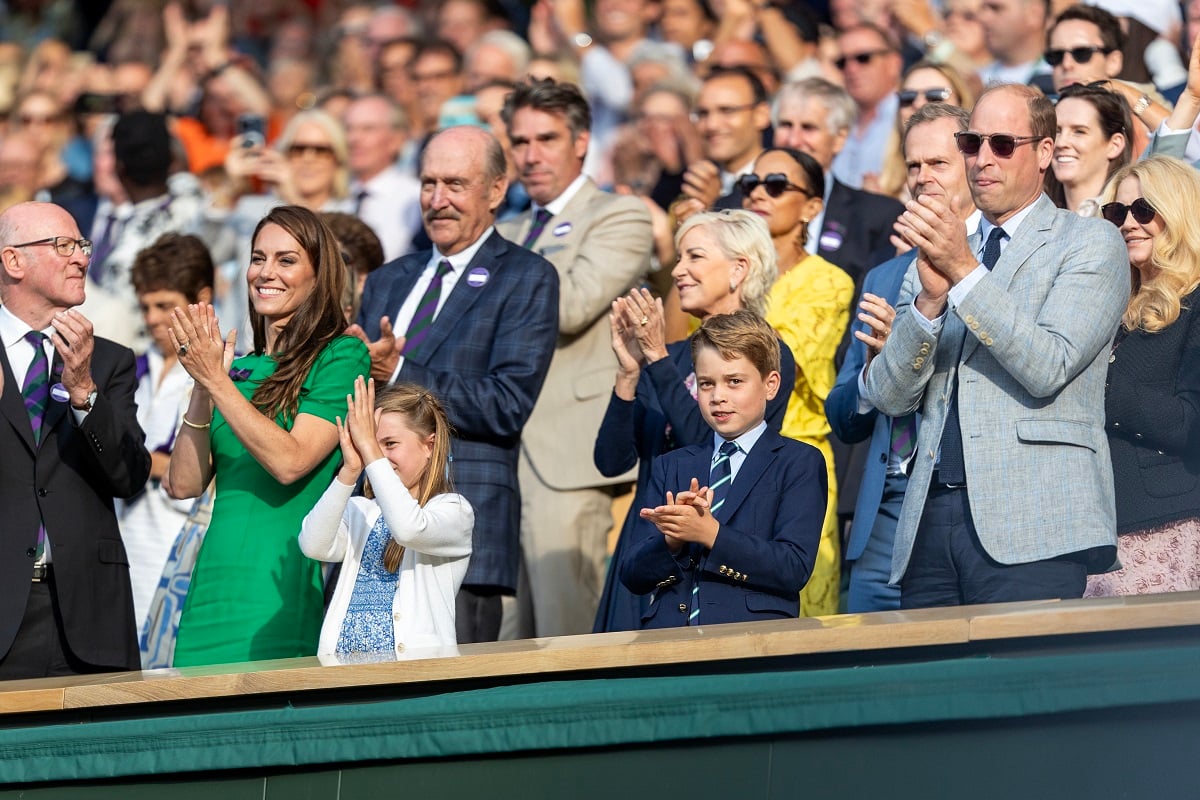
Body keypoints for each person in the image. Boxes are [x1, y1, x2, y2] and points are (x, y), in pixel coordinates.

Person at [864, 83, 1129, 608]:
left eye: (1003, 144)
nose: (983, 159)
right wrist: (928, 308)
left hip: (1037, 516)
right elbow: (890, 398)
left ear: (1046, 153)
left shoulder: (1090, 241)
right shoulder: (938, 250)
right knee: (934, 687)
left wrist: (962, 270)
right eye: (971, 142)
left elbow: (1048, 363)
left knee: (1029, 686)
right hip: (929, 519)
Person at [350, 126, 559, 644]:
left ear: (494, 190)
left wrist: (398, 374)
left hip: (460, 527)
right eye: (428, 184)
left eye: (455, 185)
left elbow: (507, 404)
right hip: (371, 526)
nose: (437, 201)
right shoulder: (388, 280)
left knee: (452, 698)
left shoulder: (528, 277)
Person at [167, 205, 370, 667]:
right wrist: (205, 384)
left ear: (319, 276)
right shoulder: (237, 369)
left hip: (277, 585)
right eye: (258, 258)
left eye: (286, 260)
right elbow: (183, 484)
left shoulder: (342, 355)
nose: (265, 272)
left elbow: (291, 462)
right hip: (211, 587)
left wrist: (217, 383)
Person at [494, 78, 653, 638]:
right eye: (519, 141)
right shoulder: (504, 229)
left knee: (568, 634)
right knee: (496, 639)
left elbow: (572, 305)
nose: (531, 155)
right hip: (495, 455)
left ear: (582, 141)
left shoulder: (618, 215)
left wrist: (490, 278)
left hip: (568, 455)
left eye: (547, 138)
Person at [592, 209, 797, 632]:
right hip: (646, 547)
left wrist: (657, 359)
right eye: (679, 258)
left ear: (740, 268)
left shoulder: (769, 357)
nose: (679, 270)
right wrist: (629, 374)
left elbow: (709, 448)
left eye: (695, 257)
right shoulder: (667, 355)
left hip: (713, 556)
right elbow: (611, 462)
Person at [827, 103, 980, 613]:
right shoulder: (883, 277)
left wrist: (913, 344)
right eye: (913, 166)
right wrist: (878, 370)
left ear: (973, 163)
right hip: (883, 512)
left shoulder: (996, 261)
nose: (922, 178)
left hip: (960, 508)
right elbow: (843, 413)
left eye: (937, 164)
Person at [0, 201, 150, 679]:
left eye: (82, 246)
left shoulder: (109, 362)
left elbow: (129, 476)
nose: (81, 258)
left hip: (89, 614)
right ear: (13, 261)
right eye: (62, 246)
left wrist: (84, 389)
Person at [619, 310, 826, 628]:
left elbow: (793, 566)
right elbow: (633, 574)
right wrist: (671, 541)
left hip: (753, 642)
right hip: (667, 642)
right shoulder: (672, 464)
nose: (718, 397)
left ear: (770, 385)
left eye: (734, 382)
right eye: (706, 384)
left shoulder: (798, 462)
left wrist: (711, 534)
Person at [742, 147, 853, 617]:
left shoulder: (830, 280)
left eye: (776, 185)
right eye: (751, 184)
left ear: (811, 207)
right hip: (726, 454)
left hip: (797, 456)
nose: (758, 195)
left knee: (805, 606)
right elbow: (674, 346)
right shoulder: (721, 270)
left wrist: (728, 284)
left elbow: (775, 357)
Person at [1086, 156, 1200, 596]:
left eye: (1144, 210)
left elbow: (1192, 423)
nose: (1129, 223)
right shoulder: (1109, 302)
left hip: (1164, 528)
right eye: (1117, 212)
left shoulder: (1196, 303)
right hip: (1096, 527)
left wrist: (1103, 389)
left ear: (1178, 213)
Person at [300, 377, 473, 658]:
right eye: (372, 445)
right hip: (348, 677)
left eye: (390, 444)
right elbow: (313, 544)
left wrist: (369, 449)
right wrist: (349, 472)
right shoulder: (362, 511)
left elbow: (408, 529)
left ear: (429, 446)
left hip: (417, 680)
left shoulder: (454, 510)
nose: (377, 456)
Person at [121, 233, 215, 640]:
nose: (153, 318)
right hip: (124, 543)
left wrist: (127, 456)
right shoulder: (127, 369)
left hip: (183, 546)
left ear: (203, 299)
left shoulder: (232, 370)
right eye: (145, 307)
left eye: (165, 305)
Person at [876, 60, 975, 202]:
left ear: (961, 102)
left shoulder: (982, 186)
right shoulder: (880, 188)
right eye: (908, 97)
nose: (919, 104)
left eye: (935, 96)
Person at [1047, 83, 1132, 215]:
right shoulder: (1033, 216)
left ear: (1114, 145)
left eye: (1079, 132)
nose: (1061, 143)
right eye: (1057, 131)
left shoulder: (1129, 218)